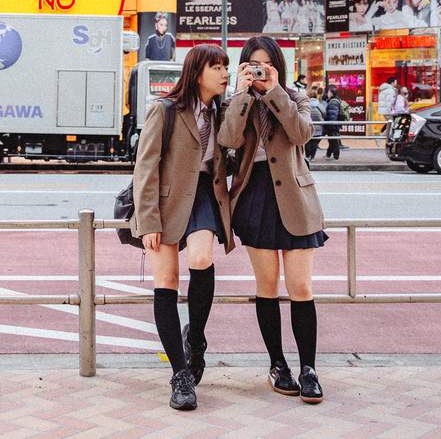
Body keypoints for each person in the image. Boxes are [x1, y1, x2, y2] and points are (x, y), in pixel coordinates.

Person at [219, 35, 327, 405]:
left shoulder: (296, 98)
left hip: (296, 199)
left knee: (301, 288)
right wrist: (243, 94)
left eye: (266, 64)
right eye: (252, 64)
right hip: (255, 197)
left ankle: (309, 369)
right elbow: (229, 139)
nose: (260, 70)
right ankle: (277, 364)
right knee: (267, 286)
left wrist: (275, 91)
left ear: (278, 66)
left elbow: (302, 134)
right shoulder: (238, 102)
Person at [131, 45, 233, 411]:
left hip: (204, 194)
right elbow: (145, 167)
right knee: (167, 281)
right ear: (197, 72)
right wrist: (148, 220)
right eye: (217, 67)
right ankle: (180, 375)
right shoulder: (165, 110)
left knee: (203, 258)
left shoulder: (223, 111)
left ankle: (198, 339)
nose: (225, 73)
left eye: (226, 67)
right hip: (166, 198)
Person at [323, 88, 343, 161]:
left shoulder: (333, 102)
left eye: (328, 92)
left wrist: (331, 124)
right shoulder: (333, 101)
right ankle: (328, 154)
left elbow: (333, 115)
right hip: (333, 124)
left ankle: (336, 156)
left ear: (331, 93)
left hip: (332, 125)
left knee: (334, 140)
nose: (327, 94)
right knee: (332, 140)